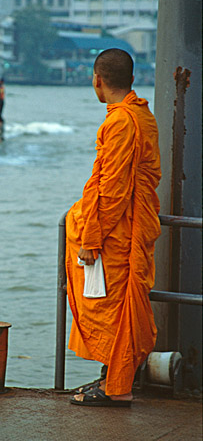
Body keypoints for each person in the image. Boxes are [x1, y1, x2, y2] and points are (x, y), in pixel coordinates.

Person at [66, 48, 161, 407]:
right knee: (118, 303)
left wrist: (91, 236)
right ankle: (112, 377)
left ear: (97, 79)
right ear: (132, 79)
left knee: (114, 304)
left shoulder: (120, 122)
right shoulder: (142, 115)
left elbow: (113, 188)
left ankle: (115, 388)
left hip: (121, 228)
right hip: (133, 222)